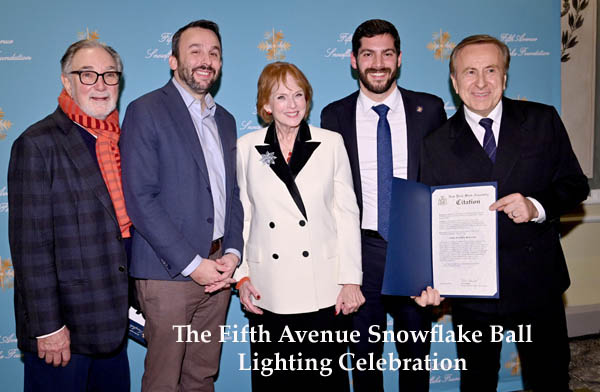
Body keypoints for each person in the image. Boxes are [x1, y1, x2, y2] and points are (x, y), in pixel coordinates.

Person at [420, 34, 589, 391]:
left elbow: (574, 185)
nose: (480, 83)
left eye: (490, 70)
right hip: (473, 295)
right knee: (477, 382)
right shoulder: (434, 144)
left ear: (505, 76)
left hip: (537, 283)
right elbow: (427, 225)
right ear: (454, 81)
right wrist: (426, 279)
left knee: (549, 380)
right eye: (469, 72)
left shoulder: (542, 121)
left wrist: (536, 205)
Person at [320, 19, 446, 391]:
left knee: (415, 358)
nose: (378, 63)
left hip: (412, 251)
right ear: (354, 61)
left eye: (387, 53)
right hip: (360, 252)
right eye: (368, 54)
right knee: (363, 361)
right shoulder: (334, 116)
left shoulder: (431, 109)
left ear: (400, 58)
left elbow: (443, 183)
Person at [120, 20, 243, 391]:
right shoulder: (146, 110)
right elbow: (140, 199)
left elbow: (234, 195)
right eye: (196, 51)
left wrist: (233, 253)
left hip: (219, 271)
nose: (206, 59)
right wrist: (193, 265)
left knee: (201, 377)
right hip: (168, 275)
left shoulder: (226, 120)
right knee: (163, 379)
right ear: (173, 60)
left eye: (214, 52)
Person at [8, 40, 130, 391]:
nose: (101, 84)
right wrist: (48, 327)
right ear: (66, 81)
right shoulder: (37, 144)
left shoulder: (119, 143)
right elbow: (31, 248)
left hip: (112, 326)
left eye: (110, 75)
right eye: (88, 75)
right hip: (63, 335)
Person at [234, 61, 365, 390]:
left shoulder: (330, 143)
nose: (292, 105)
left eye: (298, 95)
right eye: (281, 97)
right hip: (269, 288)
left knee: (325, 381)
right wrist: (243, 275)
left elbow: (346, 213)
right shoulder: (247, 147)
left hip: (322, 287)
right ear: (266, 104)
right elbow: (244, 214)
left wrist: (350, 279)